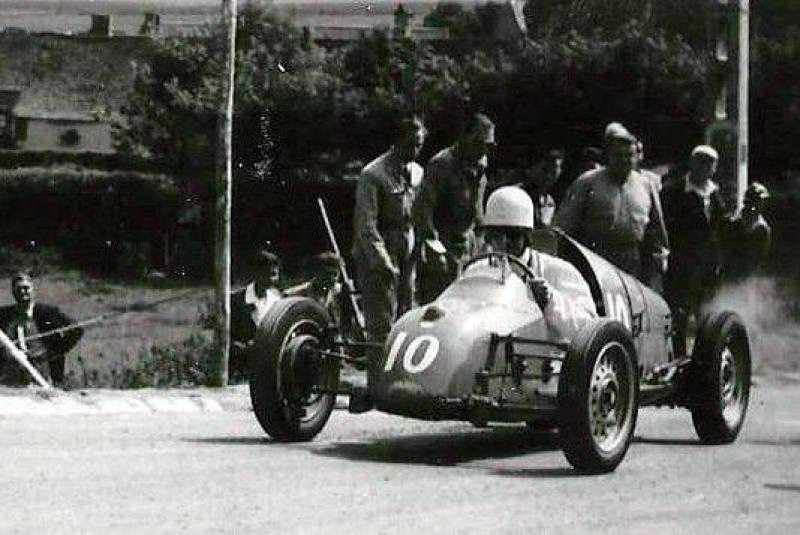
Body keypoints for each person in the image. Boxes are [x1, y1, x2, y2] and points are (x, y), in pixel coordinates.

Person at [350, 113, 427, 412]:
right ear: (396, 142)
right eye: (410, 144)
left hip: (408, 255)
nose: (414, 151)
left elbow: (418, 215)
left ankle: (403, 384)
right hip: (378, 256)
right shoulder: (374, 174)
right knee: (381, 323)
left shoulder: (418, 173)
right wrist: (383, 263)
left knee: (408, 318)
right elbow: (366, 226)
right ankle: (377, 387)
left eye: (419, 145)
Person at [554, 122, 669, 282]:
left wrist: (660, 256)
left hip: (631, 263)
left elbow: (657, 229)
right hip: (594, 258)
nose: (623, 160)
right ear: (609, 156)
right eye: (618, 155)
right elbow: (563, 225)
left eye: (628, 156)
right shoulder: (587, 182)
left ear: (636, 157)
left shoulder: (646, 185)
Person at [479, 186, 596, 339]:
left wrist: (550, 301)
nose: (504, 243)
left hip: (546, 357)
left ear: (527, 237)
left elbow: (589, 329)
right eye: (496, 235)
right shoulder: (478, 270)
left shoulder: (558, 271)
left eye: (513, 236)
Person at [414, 112, 495, 304]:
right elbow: (422, 212)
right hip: (443, 248)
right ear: (464, 138)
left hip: (469, 247)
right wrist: (436, 251)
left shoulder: (481, 163)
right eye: (478, 143)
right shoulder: (441, 165)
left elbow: (478, 208)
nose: (483, 150)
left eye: (489, 145)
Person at [661, 145, 728, 357]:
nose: (705, 168)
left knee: (705, 317)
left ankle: (702, 361)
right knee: (679, 317)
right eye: (700, 162)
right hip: (681, 264)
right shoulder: (674, 191)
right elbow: (664, 225)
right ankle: (679, 359)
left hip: (707, 267)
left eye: (709, 164)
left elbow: (721, 229)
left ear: (714, 168)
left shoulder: (716, 194)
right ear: (692, 163)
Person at [0, 273, 83, 386]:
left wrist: (55, 351)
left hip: (42, 374)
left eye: (26, 288)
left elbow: (77, 329)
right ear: (13, 292)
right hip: (12, 375)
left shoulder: (48, 313)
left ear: (33, 290)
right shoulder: (4, 315)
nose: (23, 292)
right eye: (19, 289)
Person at [230, 248, 283, 376]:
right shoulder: (237, 299)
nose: (272, 279)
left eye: (275, 275)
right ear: (256, 273)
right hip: (242, 364)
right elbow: (228, 336)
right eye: (269, 275)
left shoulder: (277, 300)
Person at [723, 181, 772, 282]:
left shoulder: (762, 228)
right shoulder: (734, 221)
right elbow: (725, 246)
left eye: (761, 201)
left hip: (748, 273)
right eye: (756, 200)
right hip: (731, 269)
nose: (759, 204)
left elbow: (761, 256)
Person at [515, 149, 563, 227]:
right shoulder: (515, 195)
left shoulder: (549, 202)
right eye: (545, 170)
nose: (549, 176)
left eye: (554, 172)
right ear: (529, 169)